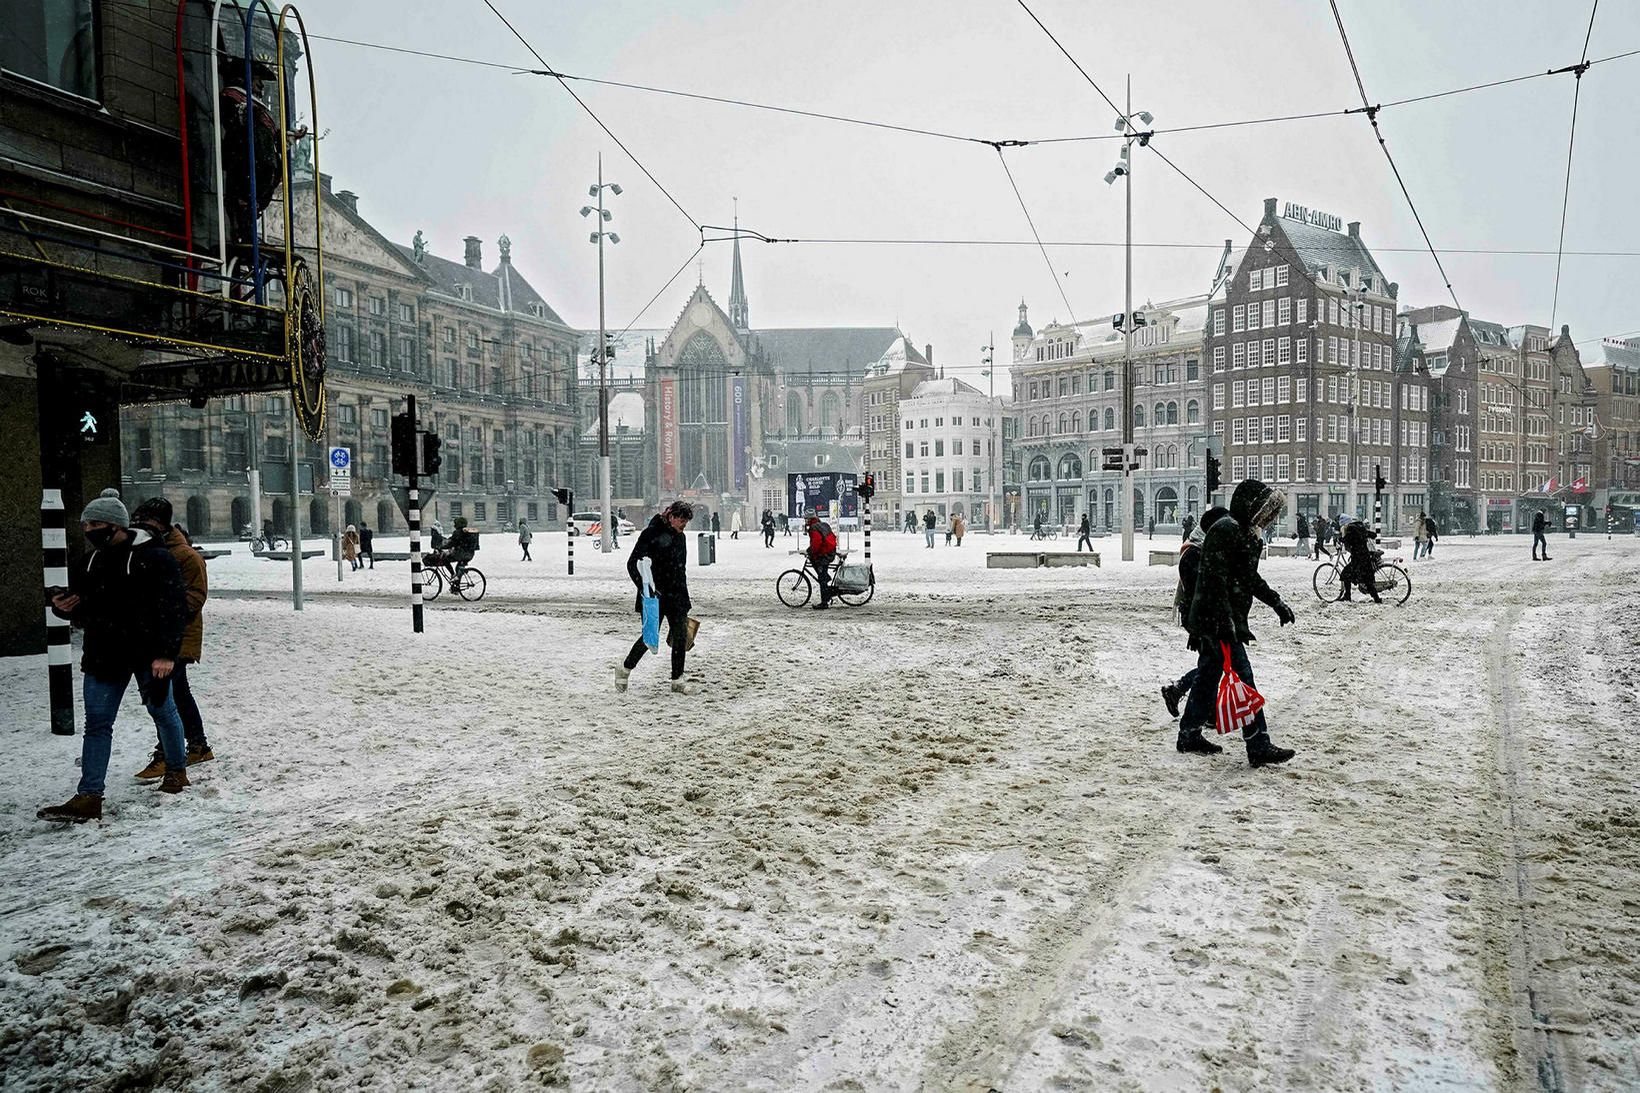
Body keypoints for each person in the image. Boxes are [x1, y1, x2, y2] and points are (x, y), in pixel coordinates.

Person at [38, 490, 192, 822]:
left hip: (149, 653)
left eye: (96, 523)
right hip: (104, 655)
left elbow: (174, 608)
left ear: (116, 525)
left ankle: (176, 771)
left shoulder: (155, 557)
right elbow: (85, 609)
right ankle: (90, 796)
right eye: (86, 524)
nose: (89, 530)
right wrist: (64, 607)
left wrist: (167, 654)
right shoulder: (88, 562)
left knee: (162, 710)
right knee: (97, 724)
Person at [1175, 479, 1297, 767]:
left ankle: (1189, 733)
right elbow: (1215, 580)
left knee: (1207, 678)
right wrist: (1226, 620)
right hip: (1218, 621)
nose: (1270, 518)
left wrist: (1276, 602)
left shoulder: (1245, 533)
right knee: (1244, 678)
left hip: (1222, 619)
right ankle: (1258, 743)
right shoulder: (1226, 531)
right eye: (1267, 510)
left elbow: (1248, 578)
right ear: (1251, 506)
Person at [130, 497, 213, 777]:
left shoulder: (186, 556)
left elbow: (196, 596)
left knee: (166, 696)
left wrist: (166, 613)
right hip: (156, 636)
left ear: (162, 525)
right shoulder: (144, 551)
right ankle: (196, 746)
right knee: (176, 694)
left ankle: (169, 753)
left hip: (179, 636)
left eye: (147, 522)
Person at [617, 500, 695, 694]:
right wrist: (645, 588)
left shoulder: (680, 537)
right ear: (672, 517)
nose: (684, 526)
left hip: (676, 595)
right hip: (654, 596)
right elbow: (632, 563)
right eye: (682, 521)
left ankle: (677, 679)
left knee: (680, 637)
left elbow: (681, 570)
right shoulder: (651, 533)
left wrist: (685, 599)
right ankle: (625, 669)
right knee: (649, 637)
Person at [1162, 506, 1229, 720]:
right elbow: (1195, 595)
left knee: (1211, 663)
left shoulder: (1205, 549)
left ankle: (1200, 706)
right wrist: (1196, 629)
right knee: (1212, 663)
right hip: (1198, 618)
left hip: (1203, 617)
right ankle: (1185, 698)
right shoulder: (1193, 553)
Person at [1339, 517, 1382, 603]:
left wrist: (1340, 539)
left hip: (1358, 558)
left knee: (1345, 574)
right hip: (1364, 557)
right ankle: (1376, 598)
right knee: (1367, 580)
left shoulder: (1351, 529)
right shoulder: (1359, 528)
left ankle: (1347, 596)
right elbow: (1373, 535)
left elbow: (1348, 539)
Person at [805, 510, 840, 609]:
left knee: (822, 578)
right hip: (829, 552)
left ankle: (824, 602)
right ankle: (826, 580)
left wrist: (811, 552)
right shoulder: (822, 524)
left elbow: (816, 543)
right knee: (822, 573)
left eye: (806, 519)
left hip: (824, 555)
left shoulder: (814, 528)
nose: (805, 521)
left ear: (809, 519)